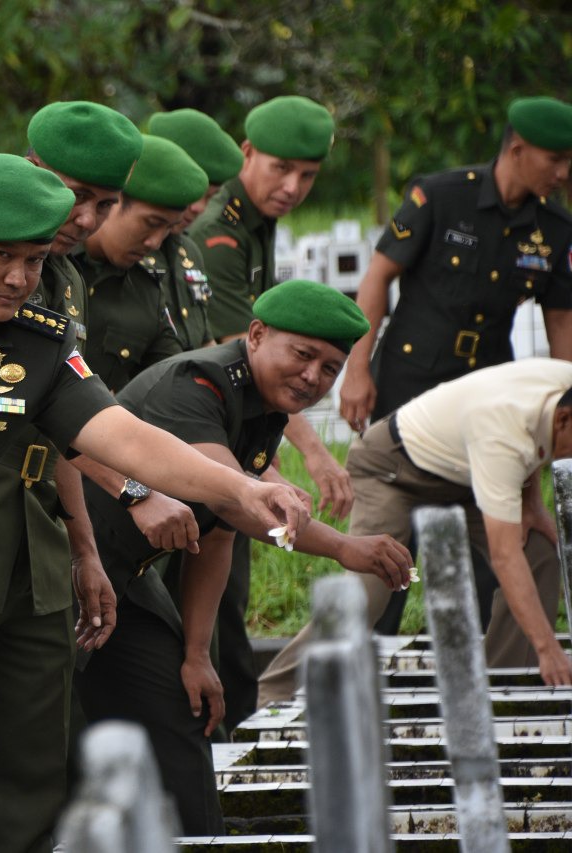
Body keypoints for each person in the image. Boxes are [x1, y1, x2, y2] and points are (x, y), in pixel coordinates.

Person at [0, 150, 313, 853]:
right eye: (1, 255)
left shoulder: (37, 345)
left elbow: (120, 435)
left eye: (36, 259)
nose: (20, 278)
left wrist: (242, 489)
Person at [73, 279, 411, 834]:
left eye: (330, 368)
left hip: (125, 581)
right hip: (65, 568)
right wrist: (345, 547)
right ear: (255, 335)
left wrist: (197, 654)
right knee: (54, 738)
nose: (313, 376)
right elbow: (234, 502)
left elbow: (216, 537)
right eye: (302, 355)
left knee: (182, 709)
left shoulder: (261, 407)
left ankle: (200, 840)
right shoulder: (197, 384)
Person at [0, 100, 141, 853]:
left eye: (105, 204)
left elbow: (63, 425)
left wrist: (83, 548)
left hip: (36, 540)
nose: (86, 218)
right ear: (35, 168)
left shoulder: (60, 278)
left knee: (29, 761)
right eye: (77, 195)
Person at [334, 95, 572, 637]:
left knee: (499, 539)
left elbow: (562, 324)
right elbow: (377, 279)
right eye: (555, 159)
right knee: (390, 538)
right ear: (518, 149)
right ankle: (368, 653)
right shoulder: (441, 195)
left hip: (487, 397)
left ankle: (494, 664)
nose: (563, 173)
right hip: (407, 383)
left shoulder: (555, 229)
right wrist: (358, 369)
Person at [260, 359, 572, 706]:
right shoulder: (502, 432)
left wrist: (533, 505)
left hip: (467, 472)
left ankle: (502, 690)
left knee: (538, 553)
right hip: (392, 467)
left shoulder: (562, 383)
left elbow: (533, 439)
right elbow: (505, 554)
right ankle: (276, 695)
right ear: (563, 419)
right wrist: (548, 646)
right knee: (369, 590)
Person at [188, 94, 350, 729]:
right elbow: (251, 357)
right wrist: (312, 453)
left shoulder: (257, 222)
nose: (292, 187)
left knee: (229, 597)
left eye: (307, 175)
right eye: (280, 168)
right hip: (194, 435)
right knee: (212, 609)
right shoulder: (220, 235)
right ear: (247, 153)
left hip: (232, 436)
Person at [79, 134, 211, 391]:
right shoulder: (43, 261)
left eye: (168, 229)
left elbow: (173, 379)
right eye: (151, 223)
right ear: (113, 201)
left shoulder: (146, 290)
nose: (155, 243)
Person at [141, 108, 246, 351]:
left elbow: (205, 344)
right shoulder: (128, 248)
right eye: (189, 190)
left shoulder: (188, 252)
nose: (199, 207)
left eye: (209, 196)